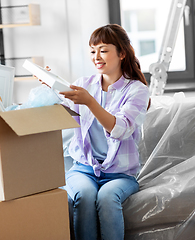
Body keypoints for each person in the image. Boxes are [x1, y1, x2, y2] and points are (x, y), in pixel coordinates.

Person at [50, 24, 150, 240]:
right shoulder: (83, 85)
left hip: (120, 174)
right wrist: (51, 89)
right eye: (93, 51)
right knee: (84, 195)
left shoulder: (137, 90)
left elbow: (120, 129)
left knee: (106, 196)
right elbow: (64, 116)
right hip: (84, 169)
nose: (97, 57)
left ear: (122, 53)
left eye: (103, 50)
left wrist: (90, 102)